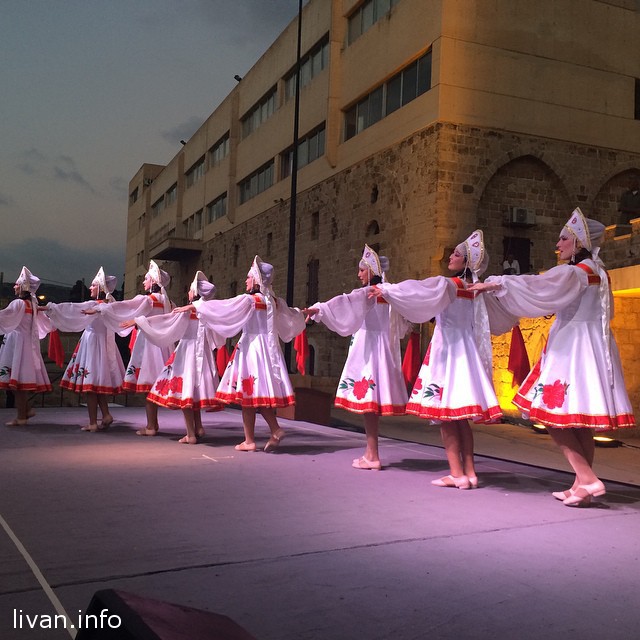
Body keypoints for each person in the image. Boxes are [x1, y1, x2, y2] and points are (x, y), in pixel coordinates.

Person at [471, 208, 636, 507]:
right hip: (591, 345)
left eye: (563, 239)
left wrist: (498, 283)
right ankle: (580, 486)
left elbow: (538, 285)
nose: (557, 245)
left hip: (573, 346)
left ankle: (587, 477)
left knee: (550, 416)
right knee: (579, 421)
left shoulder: (577, 271)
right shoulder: (598, 271)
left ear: (580, 242)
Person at [372, 231, 504, 489]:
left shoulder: (450, 284)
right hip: (466, 351)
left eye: (456, 254)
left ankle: (457, 474)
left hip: (448, 350)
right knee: (461, 418)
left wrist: (386, 288)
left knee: (446, 416)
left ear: (466, 261)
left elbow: (417, 289)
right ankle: (470, 472)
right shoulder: (474, 289)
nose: (450, 257)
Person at [175, 256, 305, 452]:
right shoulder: (274, 301)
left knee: (249, 395)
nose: (245, 281)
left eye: (248, 277)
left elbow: (223, 306)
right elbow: (291, 315)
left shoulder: (250, 300)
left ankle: (261, 435)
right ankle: (257, 437)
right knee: (255, 396)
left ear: (256, 280)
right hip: (269, 350)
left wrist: (195, 306)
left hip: (252, 348)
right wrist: (308, 312)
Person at [304, 245, 409, 470]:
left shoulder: (371, 292)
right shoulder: (390, 291)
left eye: (362, 270)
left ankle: (372, 455)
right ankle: (372, 453)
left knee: (369, 404)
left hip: (369, 347)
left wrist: (318, 309)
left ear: (372, 271)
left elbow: (345, 301)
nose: (359, 274)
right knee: (370, 405)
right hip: (383, 347)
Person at [135, 271, 223, 444]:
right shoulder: (206, 311)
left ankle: (190, 434)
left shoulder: (188, 311)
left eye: (190, 290)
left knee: (186, 393)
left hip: (188, 353)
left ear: (196, 293)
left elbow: (165, 320)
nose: (188, 293)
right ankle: (198, 427)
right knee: (194, 392)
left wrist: (140, 322)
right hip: (202, 355)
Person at [89, 260, 173, 436]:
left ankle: (151, 426)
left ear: (153, 282)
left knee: (148, 384)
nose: (143, 282)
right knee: (153, 384)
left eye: (146, 279)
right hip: (161, 345)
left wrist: (102, 308)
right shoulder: (166, 301)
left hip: (149, 345)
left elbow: (126, 306)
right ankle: (153, 424)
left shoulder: (148, 300)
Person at [46, 268, 124, 432]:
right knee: (97, 385)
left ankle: (93, 422)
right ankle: (106, 414)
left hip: (93, 345)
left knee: (90, 386)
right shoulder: (110, 305)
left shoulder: (95, 305)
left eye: (93, 286)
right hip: (104, 345)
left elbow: (71, 308)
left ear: (100, 289)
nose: (90, 288)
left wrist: (50, 308)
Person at [0, 267, 52, 426]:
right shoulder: (32, 304)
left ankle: (22, 416)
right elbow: (45, 326)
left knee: (17, 384)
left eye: (17, 284)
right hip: (26, 345)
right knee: (17, 383)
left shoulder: (18, 304)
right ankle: (25, 411)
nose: (14, 287)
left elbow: (5, 316)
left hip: (17, 344)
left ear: (23, 287)